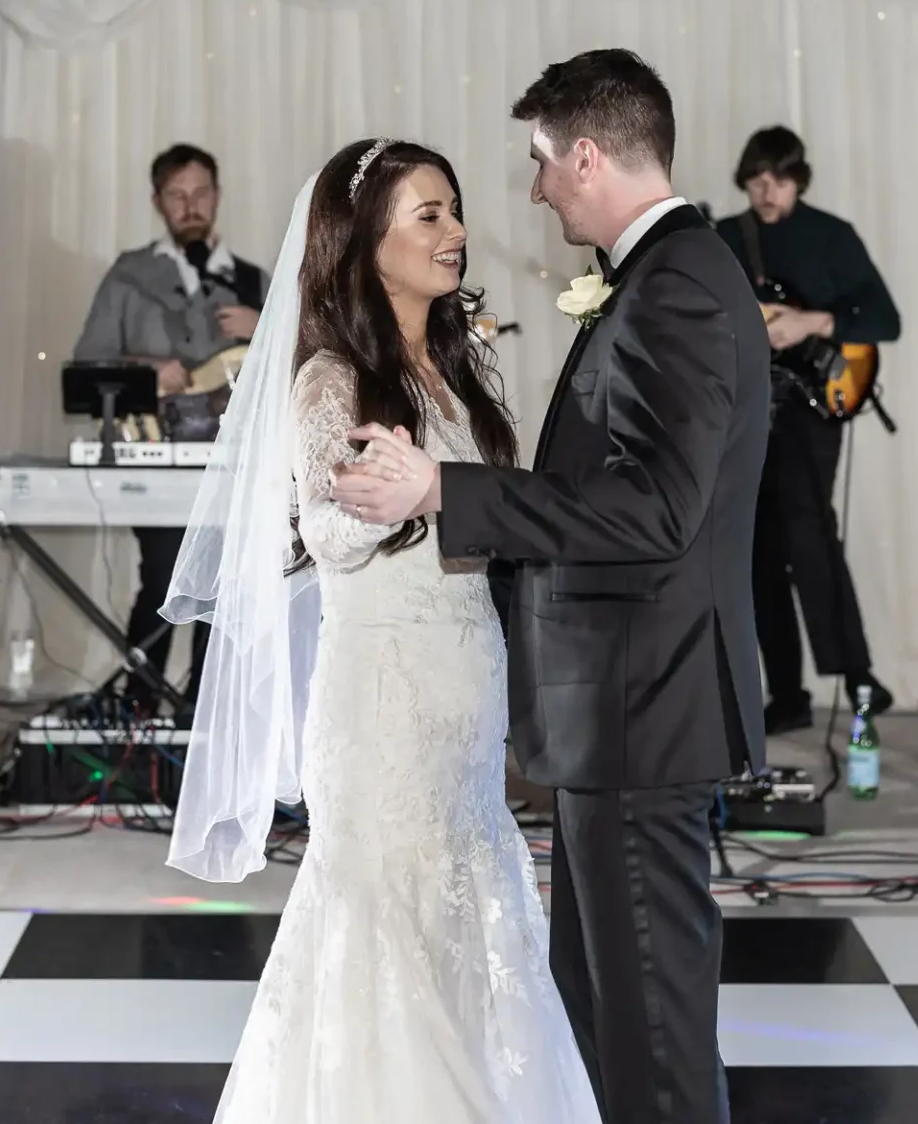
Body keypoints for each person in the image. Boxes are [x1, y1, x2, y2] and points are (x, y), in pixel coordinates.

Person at [335, 49, 771, 1124]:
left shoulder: (674, 286)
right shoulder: (667, 276)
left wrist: (450, 488)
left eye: (539, 163)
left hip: (641, 707)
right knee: (612, 1020)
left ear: (586, 153)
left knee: (652, 1035)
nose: (533, 190)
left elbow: (656, 509)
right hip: (624, 709)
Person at [158, 140, 600, 1121]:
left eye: (453, 209)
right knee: (385, 942)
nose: (456, 232)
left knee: (465, 926)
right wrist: (390, 496)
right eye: (428, 215)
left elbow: (497, 513)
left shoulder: (455, 369)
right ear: (367, 244)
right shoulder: (331, 379)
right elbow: (323, 531)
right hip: (384, 708)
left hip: (466, 693)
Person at [716, 126, 901, 732]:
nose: (767, 192)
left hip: (813, 406)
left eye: (780, 180)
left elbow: (883, 318)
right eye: (757, 179)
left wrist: (811, 322)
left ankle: (858, 677)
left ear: (799, 179)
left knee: (809, 530)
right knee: (758, 549)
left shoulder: (830, 236)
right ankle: (787, 696)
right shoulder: (725, 239)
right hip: (750, 409)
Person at [72, 143, 265, 712]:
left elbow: (305, 370)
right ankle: (140, 717)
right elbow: (86, 368)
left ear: (218, 195)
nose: (191, 206)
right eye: (177, 196)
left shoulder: (256, 282)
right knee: (161, 580)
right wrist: (147, 370)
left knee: (226, 592)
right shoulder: (129, 277)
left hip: (235, 468)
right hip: (157, 462)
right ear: (158, 202)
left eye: (201, 193)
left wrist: (267, 326)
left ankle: (209, 723)